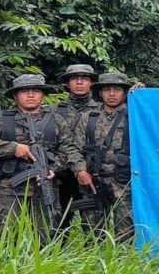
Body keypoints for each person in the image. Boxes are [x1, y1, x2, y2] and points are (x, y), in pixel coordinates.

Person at [0, 74, 89, 236]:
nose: (30, 95)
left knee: (46, 236)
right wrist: (12, 148)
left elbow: (69, 149)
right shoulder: (0, 119)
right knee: (7, 237)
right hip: (9, 188)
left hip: (45, 186)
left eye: (35, 91)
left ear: (43, 94)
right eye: (24, 91)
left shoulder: (56, 120)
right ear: (15, 95)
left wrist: (54, 169)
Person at [76, 72, 133, 240]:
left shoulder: (135, 116)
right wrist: (80, 171)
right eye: (107, 89)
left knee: (126, 237)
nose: (112, 94)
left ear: (125, 92)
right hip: (93, 182)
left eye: (117, 89)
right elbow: (73, 148)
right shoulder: (88, 117)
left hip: (124, 183)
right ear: (100, 93)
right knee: (93, 237)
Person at [53, 64, 101, 219]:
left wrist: (139, 92)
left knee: (93, 225)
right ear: (68, 83)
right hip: (61, 175)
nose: (79, 82)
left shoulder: (102, 109)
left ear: (91, 83)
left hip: (91, 174)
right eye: (74, 79)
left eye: (84, 79)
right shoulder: (53, 110)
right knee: (58, 225)